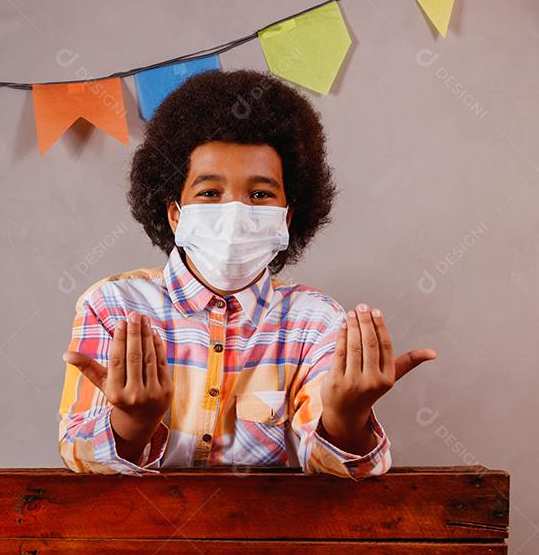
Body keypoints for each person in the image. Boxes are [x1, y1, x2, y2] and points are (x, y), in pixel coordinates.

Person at [58, 69, 436, 479]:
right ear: (175, 214)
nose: (236, 210)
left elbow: (331, 472)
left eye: (259, 194)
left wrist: (347, 418)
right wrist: (132, 425)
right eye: (209, 192)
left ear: (287, 217)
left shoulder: (315, 321)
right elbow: (78, 454)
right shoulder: (113, 307)